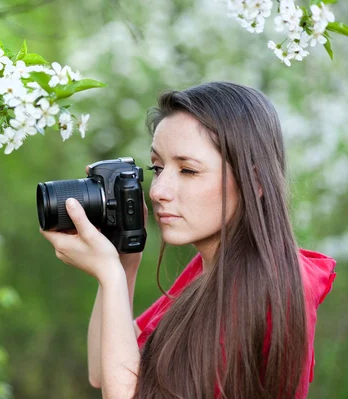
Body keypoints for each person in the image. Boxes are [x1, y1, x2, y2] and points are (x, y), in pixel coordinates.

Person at [39, 81, 337, 399]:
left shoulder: (275, 285)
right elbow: (103, 372)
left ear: (255, 181)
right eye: (157, 167)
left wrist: (110, 276)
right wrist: (123, 260)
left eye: (188, 170)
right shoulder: (208, 270)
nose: (157, 191)